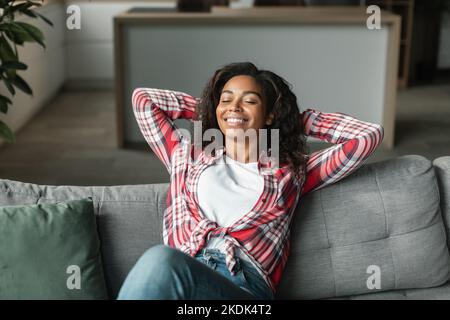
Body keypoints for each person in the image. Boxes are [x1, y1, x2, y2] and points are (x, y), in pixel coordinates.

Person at [117, 62, 384, 300]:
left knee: (161, 261)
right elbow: (144, 100)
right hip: (181, 281)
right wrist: (212, 110)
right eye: (226, 99)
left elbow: (367, 137)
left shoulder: (291, 172)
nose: (234, 107)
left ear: (270, 114)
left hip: (242, 289)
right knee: (163, 263)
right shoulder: (187, 156)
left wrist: (292, 120)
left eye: (250, 101)